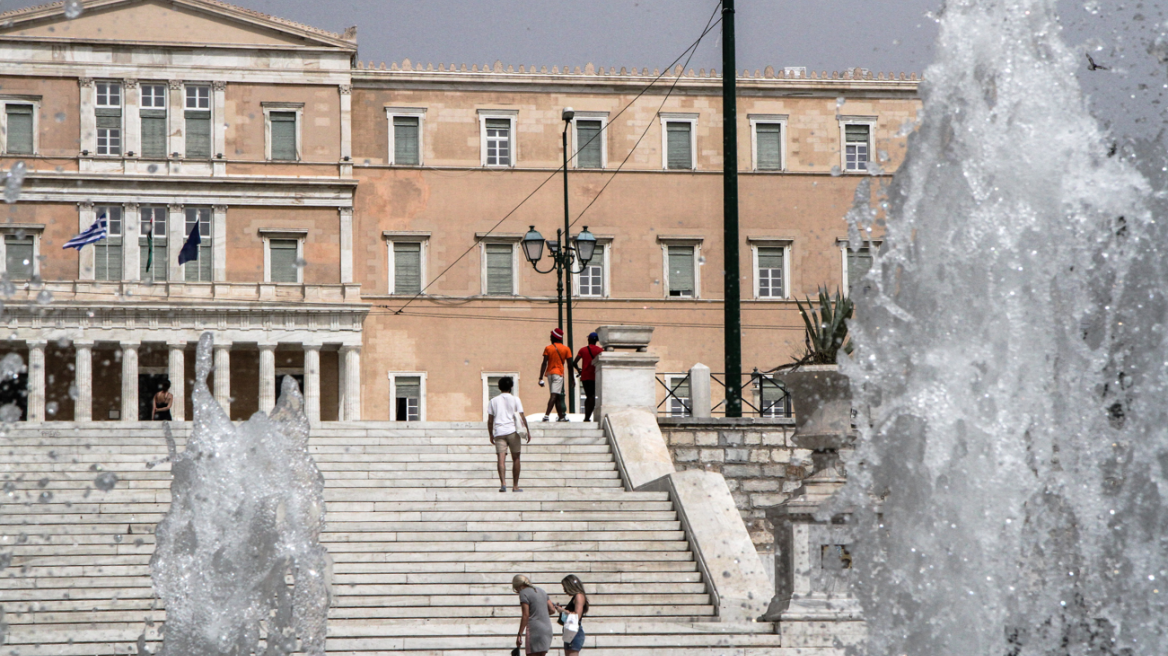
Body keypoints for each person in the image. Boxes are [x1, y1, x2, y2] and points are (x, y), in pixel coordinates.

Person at [487, 376, 530, 492]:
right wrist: (527, 431)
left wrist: (491, 433)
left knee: (501, 458)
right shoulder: (516, 399)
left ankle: (503, 483)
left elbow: (490, 420)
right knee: (516, 458)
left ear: (499, 387)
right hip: (513, 431)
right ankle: (515, 486)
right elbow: (521, 416)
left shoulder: (493, 401)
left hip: (499, 432)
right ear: (511, 387)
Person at [512, 574, 554, 656]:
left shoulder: (523, 593)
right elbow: (552, 609)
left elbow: (525, 615)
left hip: (534, 630)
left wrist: (519, 634)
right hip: (547, 629)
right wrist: (541, 613)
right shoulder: (541, 591)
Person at [538, 328, 573, 422]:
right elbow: (570, 365)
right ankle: (546, 416)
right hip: (558, 374)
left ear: (554, 337)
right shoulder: (566, 349)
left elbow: (544, 363)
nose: (550, 337)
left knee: (556, 395)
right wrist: (572, 378)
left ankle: (561, 417)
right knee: (554, 395)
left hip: (549, 374)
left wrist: (540, 378)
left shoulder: (548, 348)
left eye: (551, 336)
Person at [552, 574, 589, 655]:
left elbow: (576, 616)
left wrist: (562, 610)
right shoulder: (577, 596)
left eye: (565, 587)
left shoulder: (579, 596)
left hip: (574, 631)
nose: (564, 590)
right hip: (570, 631)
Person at [572, 332, 603, 422]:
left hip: (585, 376)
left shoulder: (582, 350)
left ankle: (586, 416)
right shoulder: (600, 351)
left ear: (589, 339)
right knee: (592, 396)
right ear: (596, 340)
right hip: (594, 376)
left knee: (588, 396)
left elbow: (574, 363)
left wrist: (579, 370)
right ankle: (587, 417)